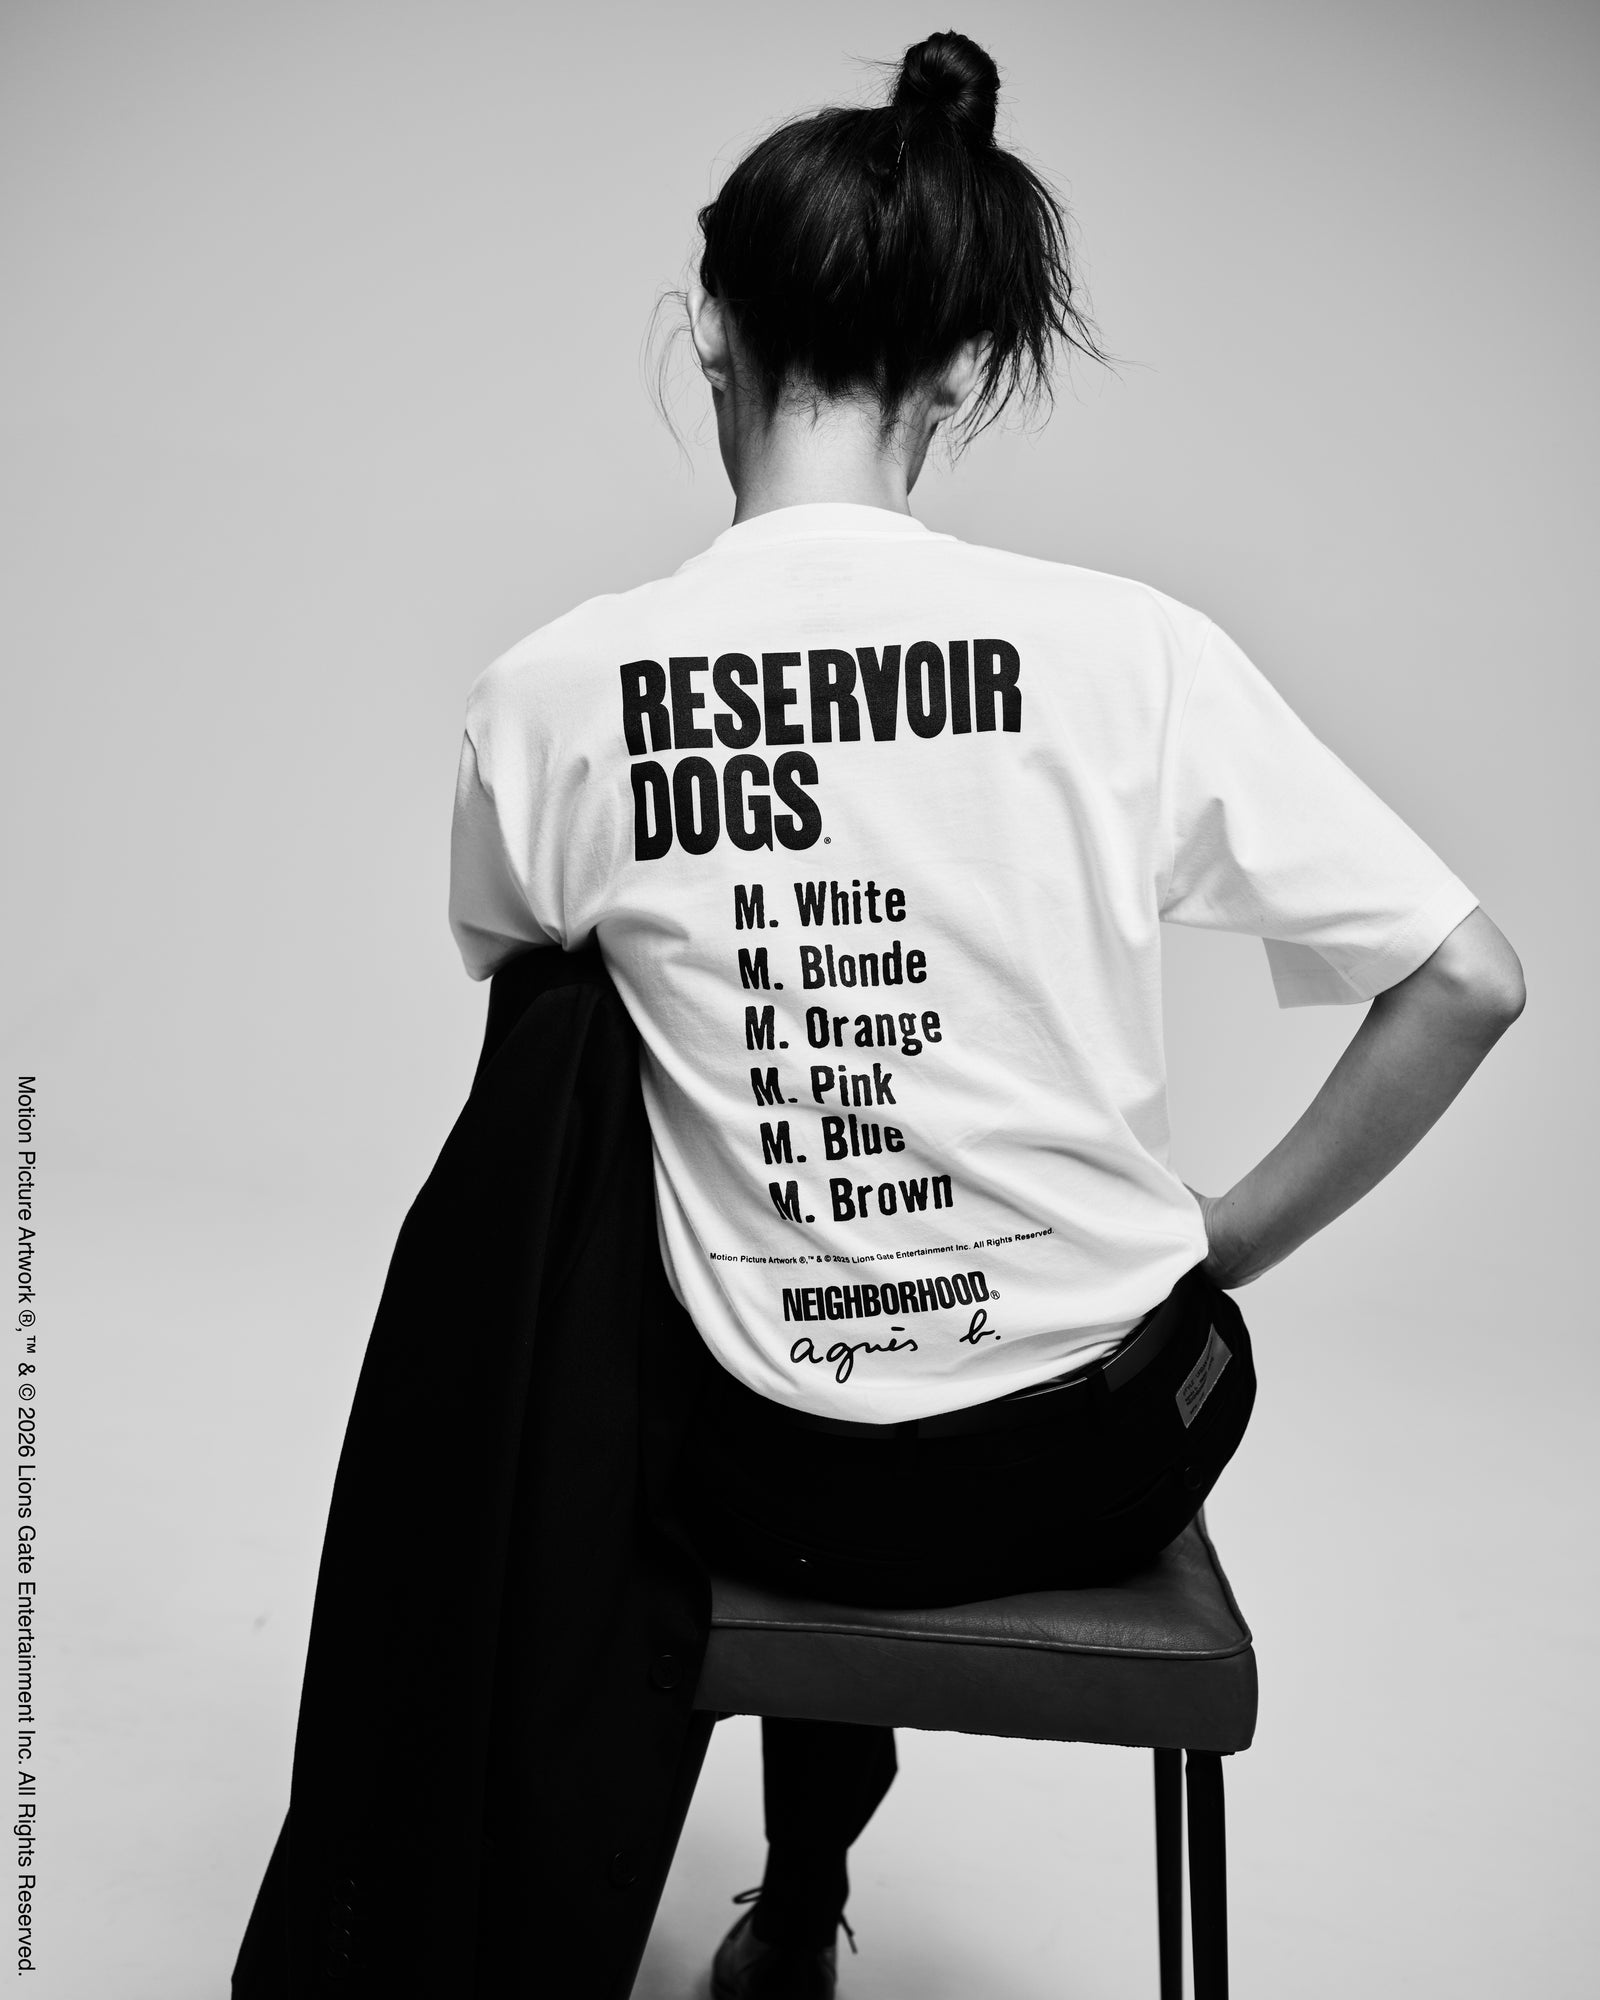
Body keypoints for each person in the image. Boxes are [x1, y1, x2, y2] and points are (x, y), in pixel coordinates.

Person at [446, 29, 1525, 2000]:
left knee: (678, 1182)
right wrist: (1220, 1238)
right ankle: (798, 1901)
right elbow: (1465, 976)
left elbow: (542, 1071)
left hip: (749, 1466)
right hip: (1091, 1455)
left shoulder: (551, 695)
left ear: (712, 331)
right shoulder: (1130, 653)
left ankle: (792, 1908)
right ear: (958, 367)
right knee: (1139, 1335)